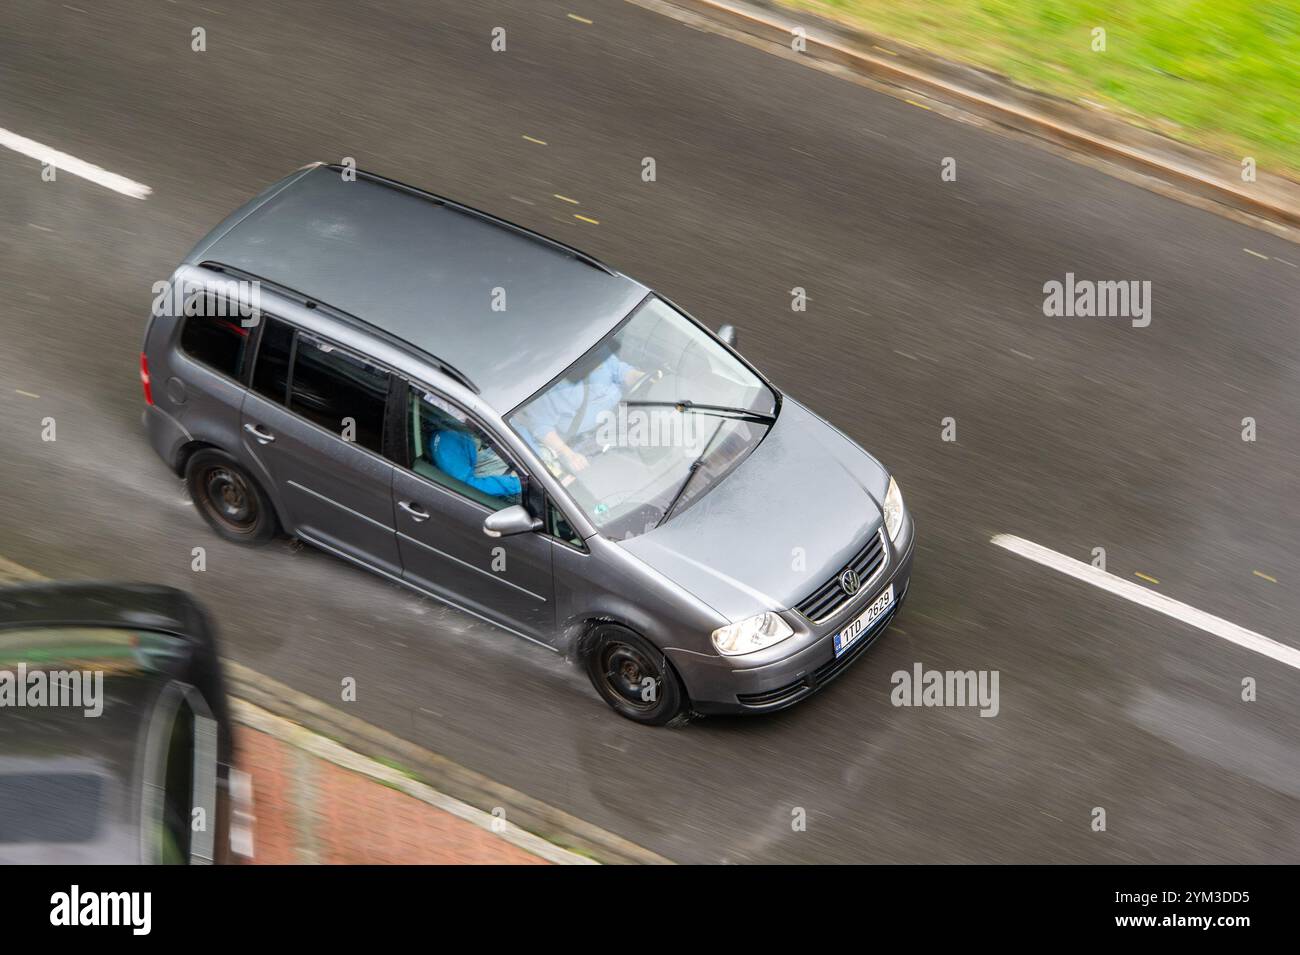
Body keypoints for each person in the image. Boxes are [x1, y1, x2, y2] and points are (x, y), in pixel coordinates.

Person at [518, 347, 645, 475]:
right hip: (590, 442)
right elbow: (542, 426)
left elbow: (621, 371)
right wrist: (568, 453)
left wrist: (644, 378)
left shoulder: (593, 348)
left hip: (626, 417)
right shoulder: (549, 389)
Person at [430, 427, 521, 502]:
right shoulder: (447, 449)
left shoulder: (448, 430)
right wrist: (515, 483)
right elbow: (468, 486)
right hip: (495, 470)